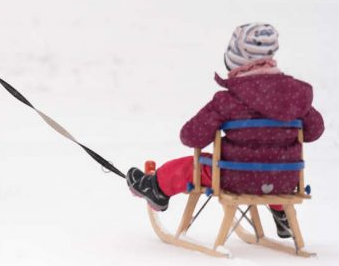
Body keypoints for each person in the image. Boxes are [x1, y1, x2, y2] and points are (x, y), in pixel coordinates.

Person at [126, 23, 324, 237]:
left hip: (235, 178)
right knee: (271, 167)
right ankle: (282, 212)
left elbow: (191, 136)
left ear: (235, 59)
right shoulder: (293, 98)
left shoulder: (228, 100)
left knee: (193, 166)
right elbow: (315, 130)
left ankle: (156, 187)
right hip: (284, 181)